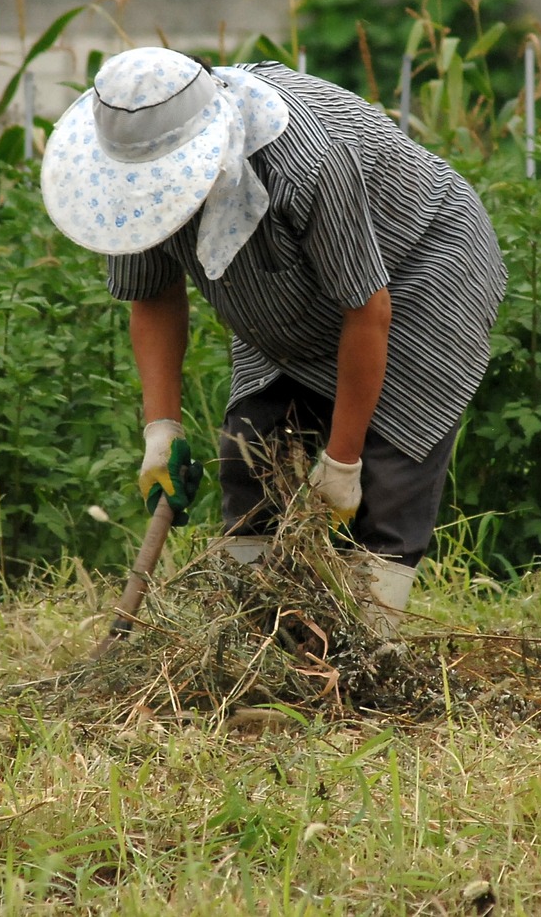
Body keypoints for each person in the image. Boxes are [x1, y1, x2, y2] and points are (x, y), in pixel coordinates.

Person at [40, 46, 506, 629]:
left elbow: (366, 312)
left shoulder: (308, 163)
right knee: (248, 451)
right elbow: (153, 296)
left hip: (418, 267)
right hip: (285, 294)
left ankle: (368, 658)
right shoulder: (132, 179)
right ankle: (260, 641)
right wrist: (161, 431)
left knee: (386, 483)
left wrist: (341, 461)